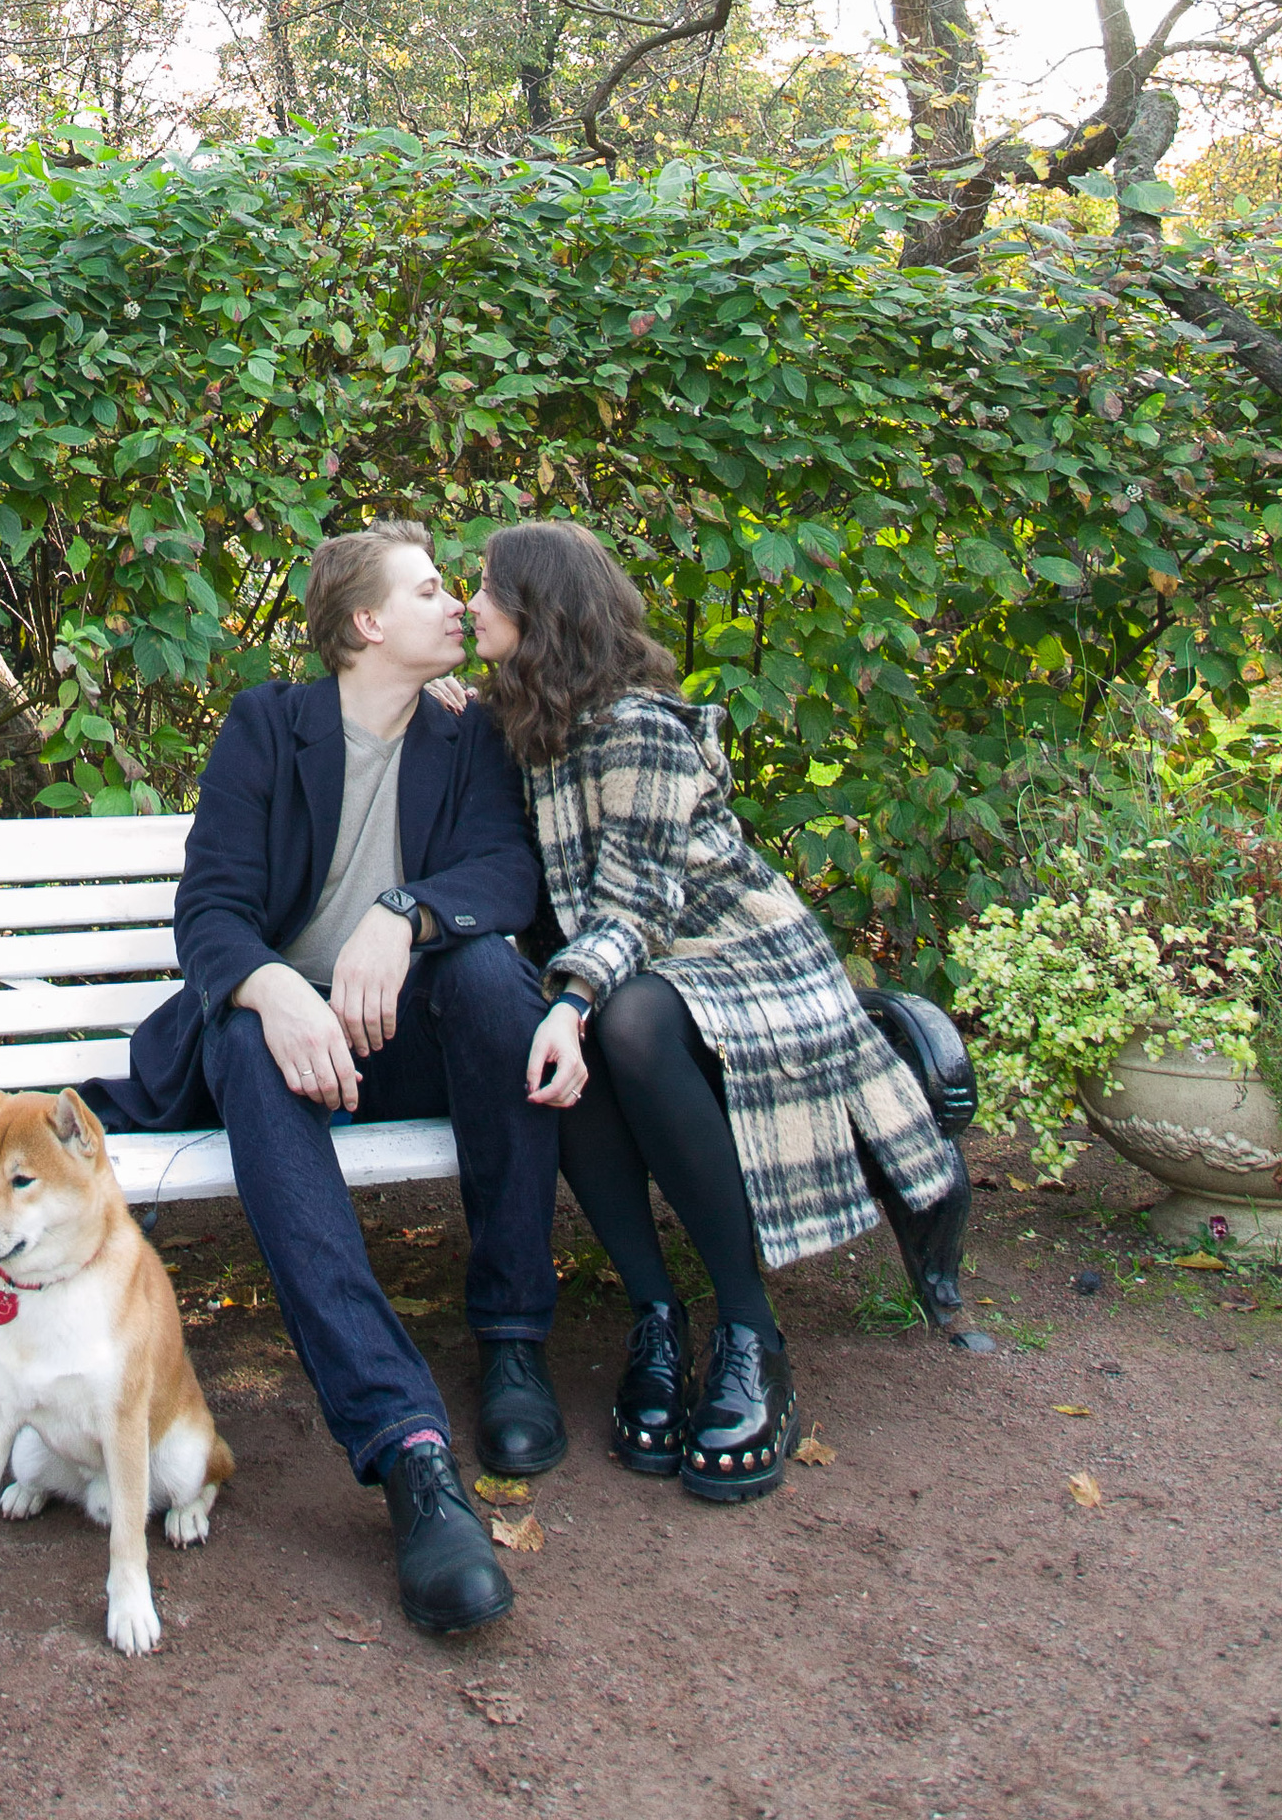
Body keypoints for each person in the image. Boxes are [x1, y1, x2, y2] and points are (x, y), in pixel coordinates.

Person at [84, 523, 560, 1636]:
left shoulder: (469, 733)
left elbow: (505, 874)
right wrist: (272, 987)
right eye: (431, 590)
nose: (458, 604)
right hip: (284, 1053)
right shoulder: (268, 726)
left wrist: (405, 914)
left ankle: (512, 1341)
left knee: (492, 979)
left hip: (401, 1039)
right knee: (247, 1044)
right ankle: (408, 1447)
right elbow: (210, 910)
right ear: (367, 622)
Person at [467, 518, 971, 1506]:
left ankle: (749, 1330)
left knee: (618, 1022)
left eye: (486, 586)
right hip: (639, 967)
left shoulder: (639, 726)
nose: (470, 603)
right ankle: (656, 1317)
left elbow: (637, 903)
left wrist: (572, 999)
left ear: (538, 609)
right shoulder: (531, 719)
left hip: (746, 960)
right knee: (572, 1032)